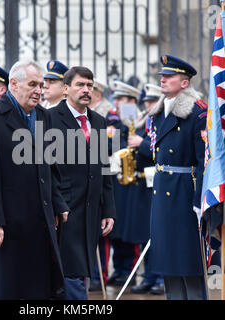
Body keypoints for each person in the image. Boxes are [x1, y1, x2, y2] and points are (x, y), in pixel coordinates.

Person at [0, 59, 68, 300]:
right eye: (32, 84)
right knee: (5, 288)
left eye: (41, 85)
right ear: (13, 84)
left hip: (38, 220)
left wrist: (58, 204)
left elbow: (51, 167)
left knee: (38, 289)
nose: (39, 90)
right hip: (6, 223)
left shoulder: (43, 116)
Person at [140, 55, 208, 300]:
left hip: (184, 193)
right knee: (168, 261)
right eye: (162, 75)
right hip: (162, 192)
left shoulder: (197, 112)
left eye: (170, 76)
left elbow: (204, 162)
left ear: (185, 83)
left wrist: (200, 200)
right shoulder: (158, 112)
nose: (163, 79)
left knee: (187, 261)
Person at [49, 66, 116, 300]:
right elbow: (45, 170)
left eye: (89, 85)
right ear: (66, 89)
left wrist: (108, 209)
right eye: (80, 85)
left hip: (91, 211)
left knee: (82, 271)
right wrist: (57, 205)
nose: (86, 90)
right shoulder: (49, 119)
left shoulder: (98, 121)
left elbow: (103, 168)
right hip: (64, 211)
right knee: (70, 273)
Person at [105, 80, 142, 288]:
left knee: (130, 231)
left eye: (122, 99)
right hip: (115, 180)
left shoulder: (134, 121)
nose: (117, 102)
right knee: (116, 229)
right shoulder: (115, 122)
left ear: (131, 101)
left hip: (131, 183)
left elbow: (128, 144)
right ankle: (119, 270)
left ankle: (130, 271)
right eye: (116, 98)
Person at [129, 83, 165, 295]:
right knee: (145, 233)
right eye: (147, 102)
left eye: (152, 101)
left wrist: (141, 143)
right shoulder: (145, 120)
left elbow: (159, 150)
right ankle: (149, 276)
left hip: (158, 182)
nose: (148, 105)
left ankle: (160, 277)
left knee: (157, 234)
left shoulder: (160, 120)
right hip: (143, 184)